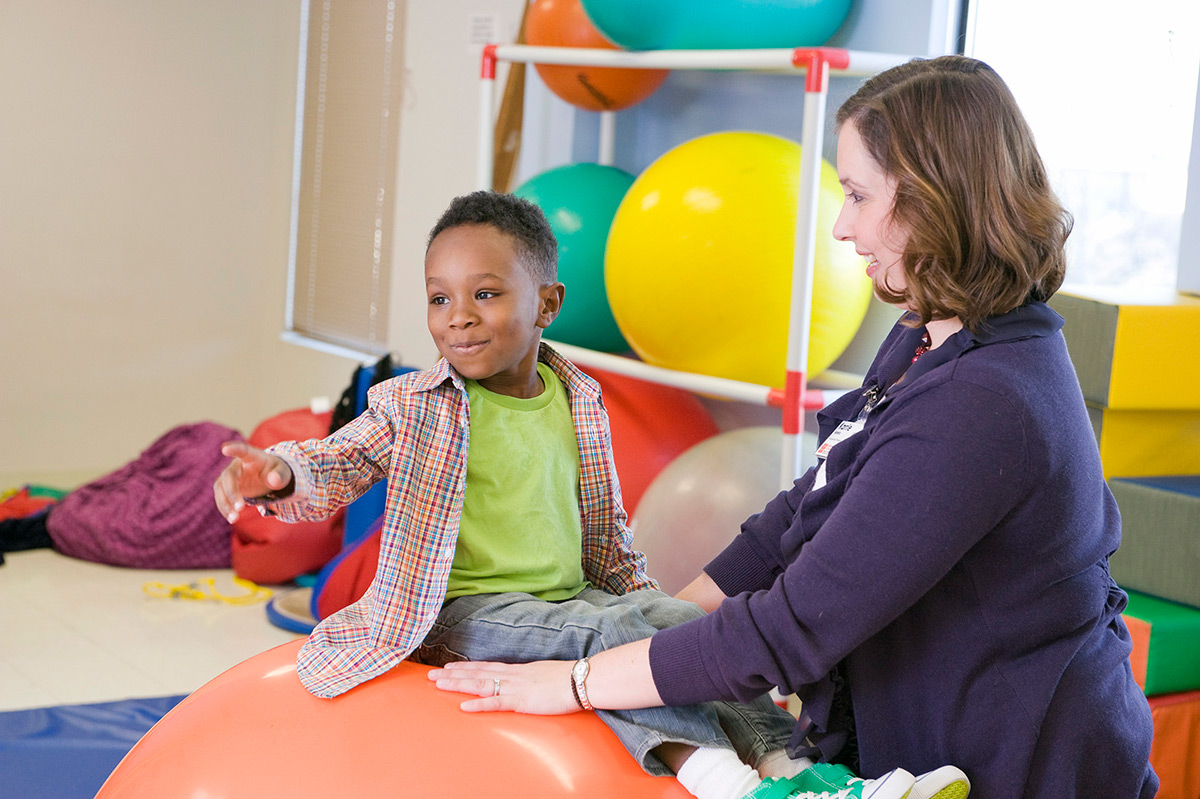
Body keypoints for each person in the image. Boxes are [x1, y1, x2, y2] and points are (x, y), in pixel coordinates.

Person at [428, 56, 1159, 799]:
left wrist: (578, 679)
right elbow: (801, 514)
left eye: (858, 195)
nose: (842, 227)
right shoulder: (929, 330)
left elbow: (791, 624)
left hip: (1023, 759)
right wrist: (654, 621)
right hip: (919, 737)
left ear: (935, 198)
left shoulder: (986, 400)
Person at [213, 191, 957, 799]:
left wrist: (648, 599)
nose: (458, 316)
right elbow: (337, 461)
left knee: (677, 626)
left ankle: (797, 774)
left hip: (564, 598)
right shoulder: (414, 405)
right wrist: (278, 475)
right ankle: (728, 783)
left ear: (547, 303)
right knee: (613, 641)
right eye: (439, 298)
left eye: (485, 293)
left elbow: (604, 531)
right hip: (463, 614)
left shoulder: (579, 400)